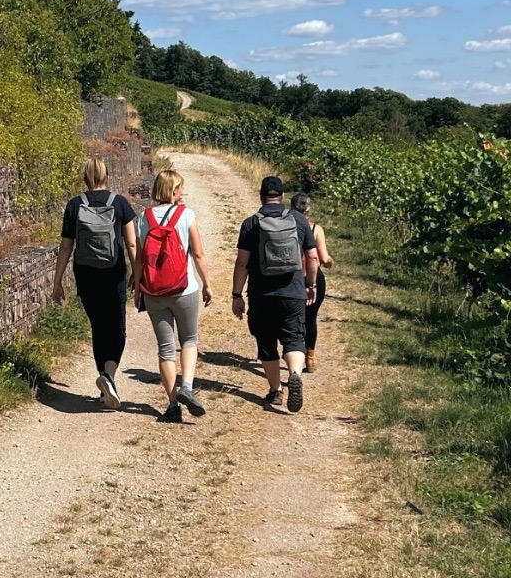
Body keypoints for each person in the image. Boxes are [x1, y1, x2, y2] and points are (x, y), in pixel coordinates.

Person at [52, 156, 137, 409]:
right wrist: (139, 273)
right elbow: (131, 243)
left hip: (86, 275)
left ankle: (105, 386)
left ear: (85, 178)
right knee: (118, 328)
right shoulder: (120, 203)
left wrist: (57, 282)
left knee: (99, 328)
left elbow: (66, 247)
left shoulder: (74, 205)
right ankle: (109, 376)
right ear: (106, 177)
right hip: (114, 274)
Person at [231, 176, 319, 412]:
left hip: (261, 295)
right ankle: (294, 375)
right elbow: (312, 257)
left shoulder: (251, 224)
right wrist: (310, 284)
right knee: (294, 338)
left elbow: (242, 263)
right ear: (282, 197)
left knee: (267, 342)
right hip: (293, 293)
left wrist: (236, 295)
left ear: (261, 197)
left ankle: (275, 391)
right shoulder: (299, 220)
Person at [133, 170, 214, 423]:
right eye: (180, 188)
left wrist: (137, 288)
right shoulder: (186, 215)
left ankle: (172, 404)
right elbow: (198, 254)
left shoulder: (142, 219)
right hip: (184, 288)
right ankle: (187, 387)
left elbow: (139, 259)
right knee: (189, 340)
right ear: (174, 190)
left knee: (165, 349)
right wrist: (207, 284)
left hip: (154, 291)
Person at [290, 193, 333, 373]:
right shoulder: (316, 229)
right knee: (310, 318)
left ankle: (293, 354)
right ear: (309, 209)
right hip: (312, 279)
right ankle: (310, 357)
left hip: (291, 280)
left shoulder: (287, 225)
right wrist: (330, 261)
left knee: (292, 319)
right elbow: (322, 257)